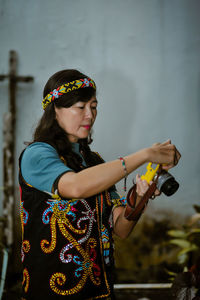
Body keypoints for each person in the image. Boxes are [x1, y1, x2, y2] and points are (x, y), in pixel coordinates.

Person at [19, 69, 181, 300]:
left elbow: (121, 228)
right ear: (55, 110)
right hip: (50, 292)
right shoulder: (38, 154)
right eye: (80, 107)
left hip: (100, 292)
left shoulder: (93, 161)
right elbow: (74, 186)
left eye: (93, 106)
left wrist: (140, 196)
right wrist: (145, 155)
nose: (89, 115)